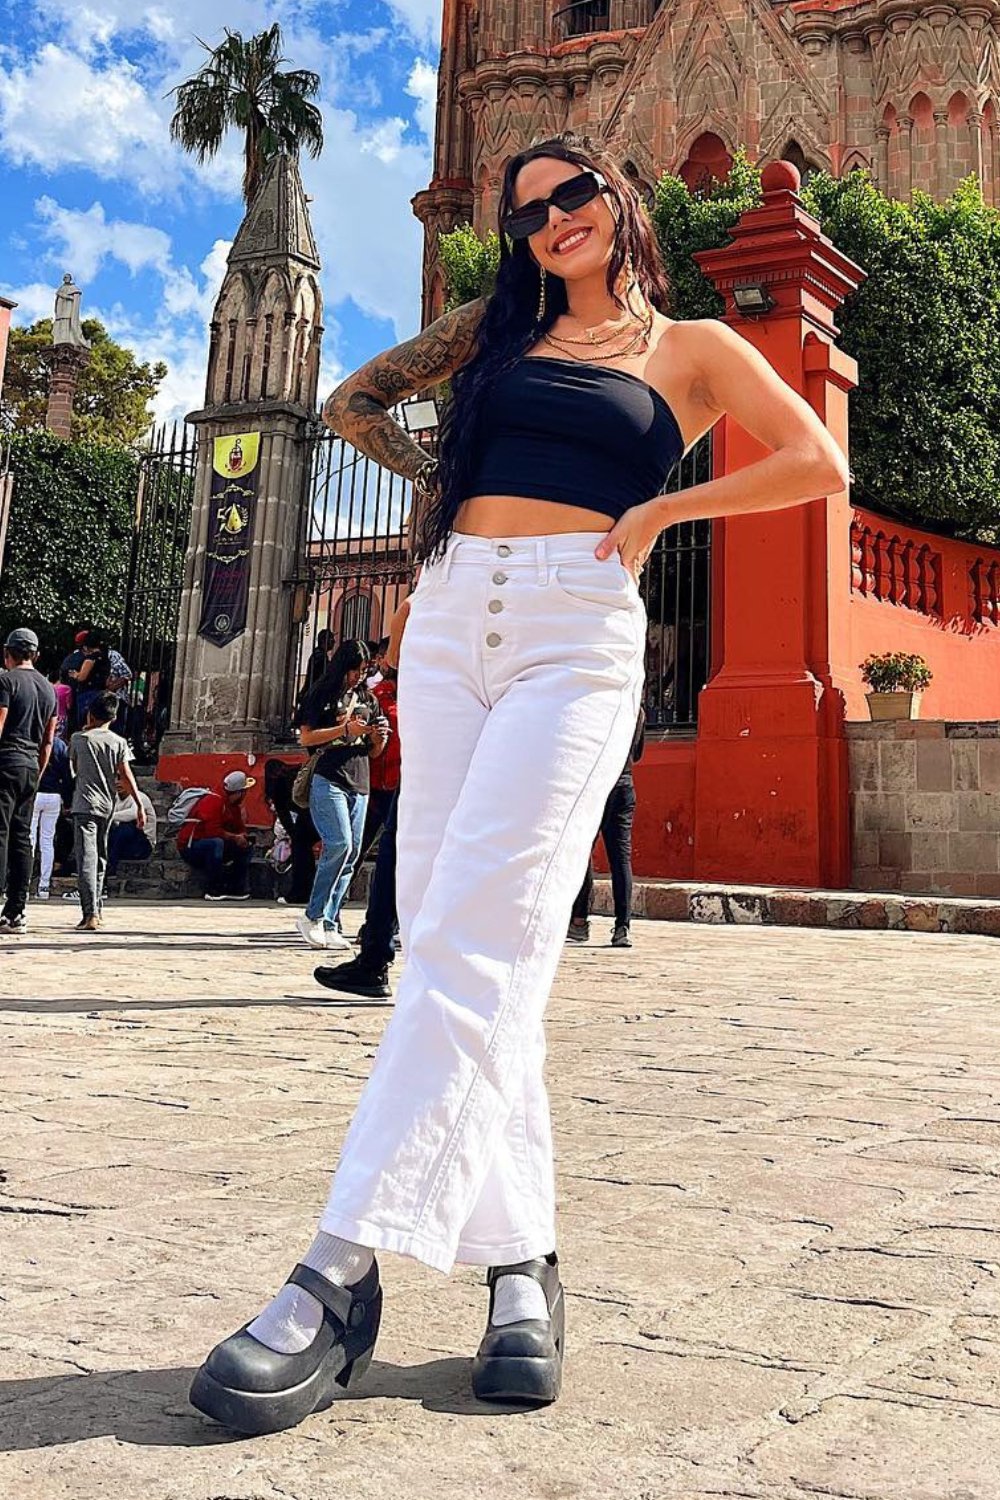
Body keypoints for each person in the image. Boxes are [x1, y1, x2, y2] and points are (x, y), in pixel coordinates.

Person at [189, 134, 848, 1432]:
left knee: (475, 948)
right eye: (529, 207)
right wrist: (449, 481)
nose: (553, 218)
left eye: (575, 193)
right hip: (449, 626)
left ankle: (340, 1273)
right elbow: (350, 403)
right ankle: (521, 1268)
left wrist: (663, 516)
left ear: (623, 198)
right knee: (461, 945)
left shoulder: (696, 348)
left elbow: (817, 462)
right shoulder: (494, 329)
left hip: (573, 629)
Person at [317, 601, 411, 1000]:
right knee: (368, 849)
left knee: (389, 851)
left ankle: (375, 958)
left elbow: (404, 609)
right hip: (380, 781)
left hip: (416, 772)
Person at [293, 640, 389, 951]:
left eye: (365, 670)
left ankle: (331, 921)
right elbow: (306, 737)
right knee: (339, 843)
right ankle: (313, 915)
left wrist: (377, 738)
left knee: (352, 854)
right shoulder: (321, 694)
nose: (360, 676)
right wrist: (343, 730)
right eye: (355, 670)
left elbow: (374, 752)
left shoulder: (369, 700)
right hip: (329, 776)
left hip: (360, 779)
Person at [567, 705, 645, 947]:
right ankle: (622, 927)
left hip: (595, 784)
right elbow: (638, 753)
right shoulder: (637, 712)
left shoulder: (596, 705)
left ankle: (579, 921)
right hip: (624, 784)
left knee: (582, 853)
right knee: (621, 858)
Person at [69, 691, 145, 932]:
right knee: (101, 856)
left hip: (84, 803)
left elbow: (75, 768)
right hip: (107, 804)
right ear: (113, 718)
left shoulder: (79, 739)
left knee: (86, 858)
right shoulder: (118, 742)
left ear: (90, 714)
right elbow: (126, 774)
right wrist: (139, 804)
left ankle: (89, 913)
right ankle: (98, 910)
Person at [0, 628, 58, 934]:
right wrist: (39, 771)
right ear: (35, 654)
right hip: (31, 767)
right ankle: (15, 911)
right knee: (23, 837)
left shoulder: (6, 681)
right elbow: (48, 740)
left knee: (0, 832)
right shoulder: (49, 689)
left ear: (7, 652)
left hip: (6, 760)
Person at [177, 771, 254, 900]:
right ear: (239, 792)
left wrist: (242, 837)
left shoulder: (234, 807)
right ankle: (213, 889)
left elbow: (239, 827)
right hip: (192, 846)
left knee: (245, 848)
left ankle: (235, 888)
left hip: (217, 842)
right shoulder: (214, 801)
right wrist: (234, 837)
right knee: (216, 843)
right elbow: (212, 831)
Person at [263, 759, 318, 905]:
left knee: (301, 849)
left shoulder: (278, 784)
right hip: (314, 808)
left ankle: (300, 892)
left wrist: (293, 834)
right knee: (304, 848)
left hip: (310, 811)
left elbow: (283, 812)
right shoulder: (296, 773)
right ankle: (311, 890)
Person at [31, 732, 73, 900]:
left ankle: (23, 883)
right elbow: (67, 775)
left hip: (34, 793)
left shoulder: (32, 739)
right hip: (54, 795)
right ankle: (44, 885)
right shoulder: (59, 745)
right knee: (47, 841)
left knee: (29, 839)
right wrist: (67, 799)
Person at [108, 784, 156, 875]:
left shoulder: (140, 797)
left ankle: (110, 866)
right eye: (116, 779)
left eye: (121, 779)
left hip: (142, 846)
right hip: (124, 845)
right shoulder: (115, 799)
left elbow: (133, 814)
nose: (118, 783)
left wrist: (108, 816)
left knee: (126, 827)